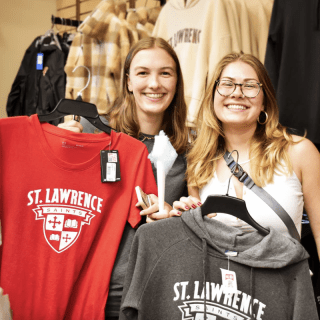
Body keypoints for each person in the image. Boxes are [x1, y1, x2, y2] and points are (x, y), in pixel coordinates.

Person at [59, 36, 189, 319]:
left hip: (161, 289)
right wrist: (65, 144)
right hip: (94, 289)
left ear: (176, 82)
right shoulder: (94, 134)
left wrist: (173, 215)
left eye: (165, 73)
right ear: (128, 81)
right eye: (143, 73)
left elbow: (198, 215)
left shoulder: (191, 148)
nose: (154, 83)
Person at [171, 52, 320, 259]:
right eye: (227, 84)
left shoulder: (299, 152)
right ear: (213, 95)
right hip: (221, 288)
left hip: (281, 286)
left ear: (265, 102)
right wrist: (184, 218)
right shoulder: (199, 161)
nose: (237, 93)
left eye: (249, 86)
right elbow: (199, 247)